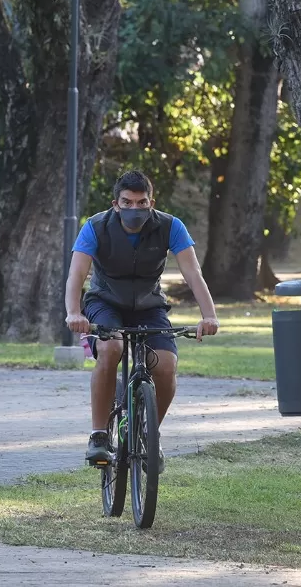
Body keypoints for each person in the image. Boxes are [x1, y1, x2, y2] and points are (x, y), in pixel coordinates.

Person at [64, 170, 220, 468]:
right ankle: (98, 435)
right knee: (111, 349)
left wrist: (209, 315)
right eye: (127, 202)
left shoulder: (170, 226)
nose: (135, 209)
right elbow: (76, 274)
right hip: (105, 302)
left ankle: (150, 433)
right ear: (115, 203)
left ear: (151, 202)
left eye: (141, 202)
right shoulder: (95, 227)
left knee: (166, 364)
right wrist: (74, 312)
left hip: (149, 305)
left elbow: (192, 274)